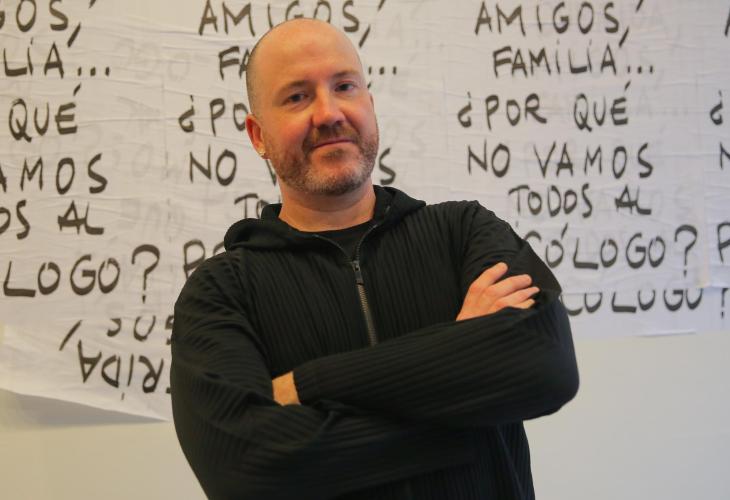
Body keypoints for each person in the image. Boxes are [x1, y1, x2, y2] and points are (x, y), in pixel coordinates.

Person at [170, 18, 579, 500]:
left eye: (344, 86)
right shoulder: (221, 293)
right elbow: (246, 470)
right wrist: (462, 378)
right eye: (297, 97)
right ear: (258, 135)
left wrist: (309, 384)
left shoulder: (464, 232)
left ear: (369, 102)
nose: (329, 113)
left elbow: (546, 366)